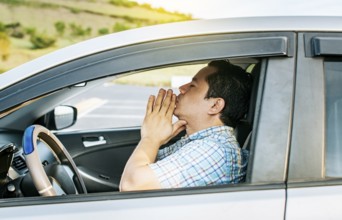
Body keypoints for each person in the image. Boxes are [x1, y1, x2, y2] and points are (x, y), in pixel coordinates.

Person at [120, 60, 252, 191]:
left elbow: (131, 186)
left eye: (193, 86)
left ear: (215, 105)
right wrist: (157, 140)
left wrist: (151, 138)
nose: (182, 88)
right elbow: (147, 165)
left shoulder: (213, 149)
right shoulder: (198, 141)